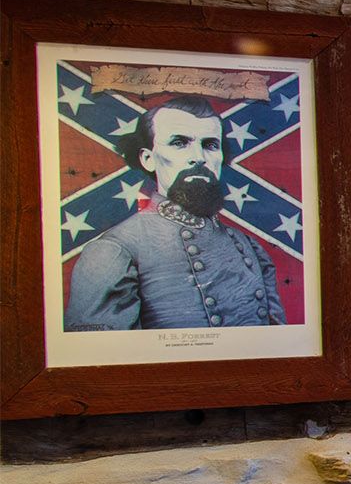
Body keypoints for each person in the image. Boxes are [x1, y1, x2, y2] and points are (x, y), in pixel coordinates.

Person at [63, 95, 286, 331]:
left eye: (210, 145)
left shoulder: (248, 246)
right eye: (179, 143)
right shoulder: (113, 251)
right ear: (148, 159)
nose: (199, 157)